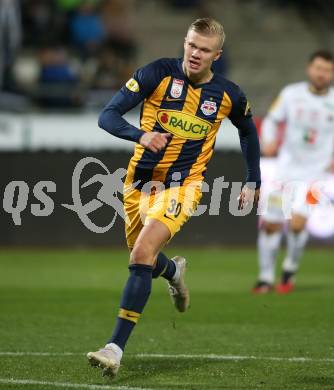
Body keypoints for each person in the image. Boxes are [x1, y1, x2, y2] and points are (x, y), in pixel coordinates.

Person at [87, 18, 261, 377]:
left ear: (218, 55)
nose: (196, 54)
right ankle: (174, 271)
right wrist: (140, 136)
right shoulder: (156, 74)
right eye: (192, 45)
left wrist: (252, 179)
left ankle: (114, 348)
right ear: (184, 42)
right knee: (146, 260)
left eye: (205, 50)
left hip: (184, 186)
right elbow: (107, 116)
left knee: (140, 254)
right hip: (139, 185)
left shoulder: (228, 94)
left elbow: (248, 132)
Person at [253, 50, 334, 294]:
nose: (322, 74)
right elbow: (271, 120)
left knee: (298, 223)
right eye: (318, 68)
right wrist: (267, 140)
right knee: (271, 225)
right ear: (310, 69)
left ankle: (289, 269)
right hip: (284, 173)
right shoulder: (291, 94)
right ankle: (265, 278)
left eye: (327, 70)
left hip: (316, 176)